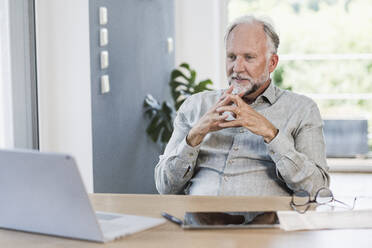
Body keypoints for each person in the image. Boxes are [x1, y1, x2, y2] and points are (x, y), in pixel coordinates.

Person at [155, 15, 329, 196]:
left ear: (272, 63)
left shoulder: (302, 109)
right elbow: (165, 187)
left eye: (249, 57)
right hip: (199, 221)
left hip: (264, 222)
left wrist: (271, 133)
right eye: (231, 57)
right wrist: (195, 136)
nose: (237, 68)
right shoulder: (195, 106)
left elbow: (319, 190)